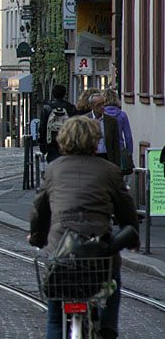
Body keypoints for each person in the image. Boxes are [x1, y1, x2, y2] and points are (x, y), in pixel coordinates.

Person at [29, 116, 139, 339]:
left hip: (61, 251)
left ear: (63, 139)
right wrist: (132, 235)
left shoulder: (53, 169)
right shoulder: (110, 171)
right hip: (98, 251)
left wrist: (37, 237)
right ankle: (108, 328)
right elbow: (126, 210)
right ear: (95, 139)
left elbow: (39, 210)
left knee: (55, 318)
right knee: (113, 283)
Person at [38, 84, 76, 164]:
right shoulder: (71, 107)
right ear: (65, 94)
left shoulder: (47, 107)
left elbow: (42, 126)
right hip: (66, 139)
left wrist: (42, 142)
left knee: (52, 162)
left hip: (51, 139)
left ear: (53, 94)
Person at [102, 88, 135, 179]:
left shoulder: (102, 114)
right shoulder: (122, 115)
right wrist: (129, 153)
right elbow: (128, 136)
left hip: (105, 149)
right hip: (120, 149)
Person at [88, 93, 121, 167]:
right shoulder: (85, 120)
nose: (102, 107)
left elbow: (115, 143)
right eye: (99, 105)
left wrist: (117, 164)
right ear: (91, 106)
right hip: (91, 158)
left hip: (106, 157)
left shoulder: (111, 121)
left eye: (103, 104)